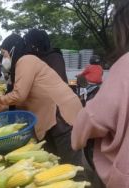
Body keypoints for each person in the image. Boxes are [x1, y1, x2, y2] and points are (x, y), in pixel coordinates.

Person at [0, 34, 83, 166]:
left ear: (13, 50)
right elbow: (26, 100)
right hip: (51, 117)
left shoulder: (26, 60)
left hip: (62, 116)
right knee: (54, 163)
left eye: (4, 54)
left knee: (72, 167)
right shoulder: (22, 66)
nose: (3, 59)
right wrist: (3, 108)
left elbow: (19, 95)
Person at [71, 1, 129, 186]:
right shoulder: (99, 68)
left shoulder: (124, 65)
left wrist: (77, 137)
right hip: (98, 86)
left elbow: (93, 119)